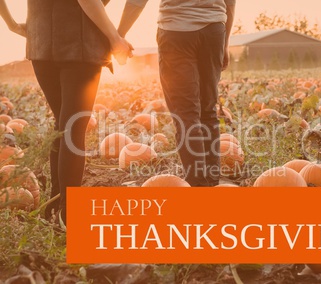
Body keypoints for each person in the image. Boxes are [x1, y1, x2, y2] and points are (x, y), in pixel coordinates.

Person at [0, 0, 134, 226]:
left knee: (62, 127)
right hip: (79, 43)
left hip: (41, 42)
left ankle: (55, 205)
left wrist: (11, 23)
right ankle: (69, 214)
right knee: (72, 129)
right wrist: (114, 38)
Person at [118, 0, 236, 186]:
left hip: (176, 30)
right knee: (208, 110)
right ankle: (211, 183)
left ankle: (197, 185)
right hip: (214, 30)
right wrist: (225, 41)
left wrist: (119, 35)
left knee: (186, 115)